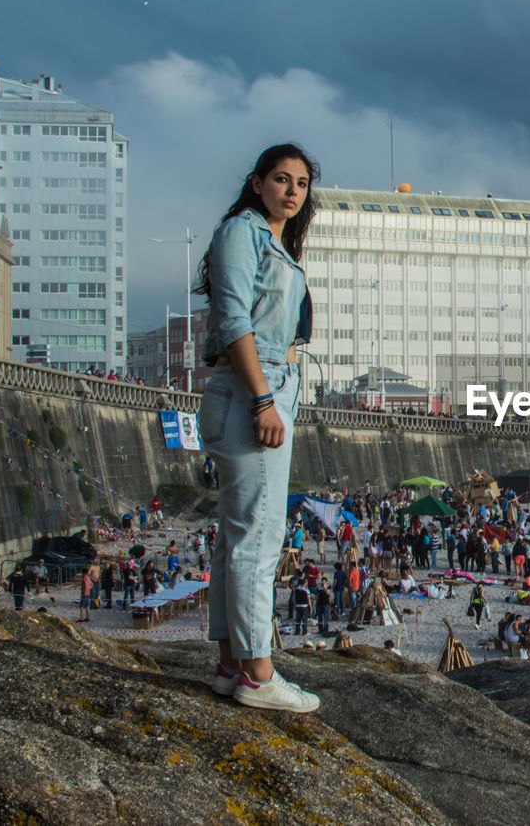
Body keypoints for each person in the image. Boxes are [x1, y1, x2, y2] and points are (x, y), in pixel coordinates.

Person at [197, 143, 321, 713]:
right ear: (256, 182)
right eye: (281, 179)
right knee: (259, 540)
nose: (292, 191)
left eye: (300, 183)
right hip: (253, 392)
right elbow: (233, 323)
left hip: (259, 390)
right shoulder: (241, 235)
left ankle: (229, 666)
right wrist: (264, 400)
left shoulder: (268, 240)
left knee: (235, 535)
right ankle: (258, 675)